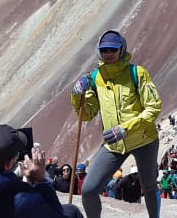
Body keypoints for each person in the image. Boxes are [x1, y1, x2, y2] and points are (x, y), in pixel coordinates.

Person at [70, 30, 163, 218]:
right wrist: (76, 94)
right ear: (99, 52)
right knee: (89, 190)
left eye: (113, 49)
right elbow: (87, 114)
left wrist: (125, 128)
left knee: (149, 186)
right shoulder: (96, 79)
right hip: (114, 143)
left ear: (122, 49)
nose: (109, 53)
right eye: (104, 50)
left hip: (143, 139)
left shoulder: (137, 73)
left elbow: (154, 107)